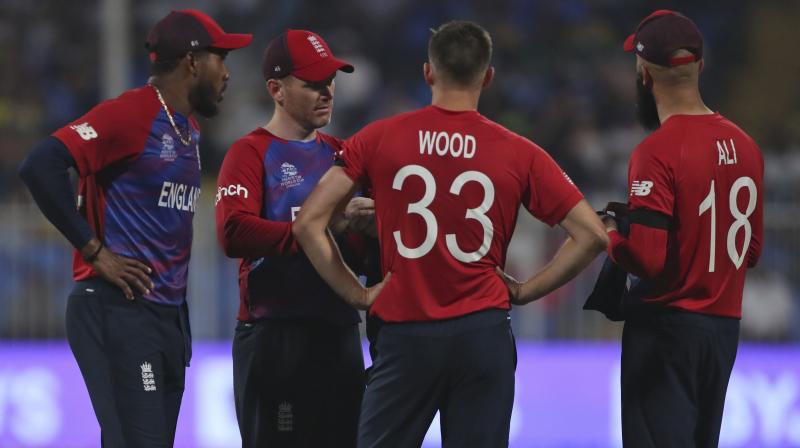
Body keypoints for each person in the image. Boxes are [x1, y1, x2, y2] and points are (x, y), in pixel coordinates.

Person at [293, 20, 608, 447]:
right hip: (482, 333)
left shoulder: (380, 137)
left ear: (428, 72)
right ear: (488, 76)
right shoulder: (520, 151)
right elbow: (592, 235)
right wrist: (526, 290)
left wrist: (357, 294)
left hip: (406, 332)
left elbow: (309, 221)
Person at [18, 10, 251, 446]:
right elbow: (41, 164)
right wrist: (93, 250)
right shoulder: (132, 114)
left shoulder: (187, 129)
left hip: (165, 317)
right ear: (193, 62)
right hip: (118, 309)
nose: (228, 74)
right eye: (222, 59)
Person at [602, 10, 764, 447]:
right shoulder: (746, 146)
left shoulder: (656, 151)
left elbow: (648, 257)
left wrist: (611, 238)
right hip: (722, 332)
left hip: (665, 332)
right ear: (701, 67)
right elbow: (750, 251)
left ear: (643, 74)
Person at [214, 29, 376, 448]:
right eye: (312, 84)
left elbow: (361, 259)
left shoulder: (344, 154)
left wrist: (363, 233)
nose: (326, 93)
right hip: (274, 334)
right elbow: (233, 232)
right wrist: (318, 228)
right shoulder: (249, 153)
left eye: (330, 82)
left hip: (338, 334)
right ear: (277, 89)